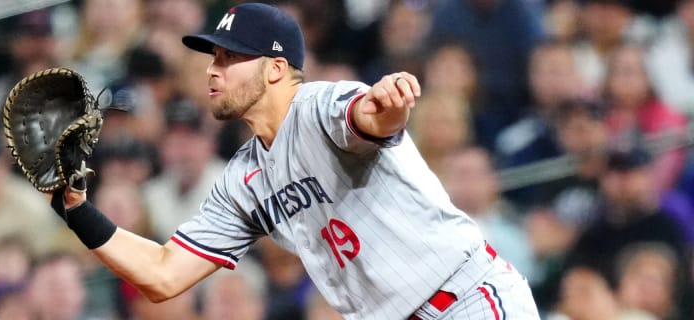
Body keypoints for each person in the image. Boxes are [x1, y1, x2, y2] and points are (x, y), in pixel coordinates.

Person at [48, 3, 539, 319]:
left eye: (228, 58)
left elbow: (369, 115)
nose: (211, 70)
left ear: (278, 68)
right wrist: (76, 211)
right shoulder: (240, 178)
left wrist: (390, 104)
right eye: (213, 57)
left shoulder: (322, 104)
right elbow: (162, 275)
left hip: (468, 300)